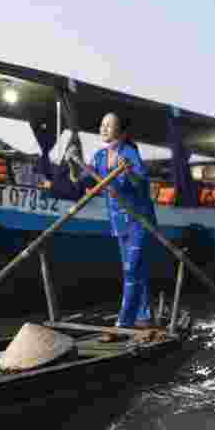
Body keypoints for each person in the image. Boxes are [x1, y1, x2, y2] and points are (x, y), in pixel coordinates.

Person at [84, 112, 157, 342]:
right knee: (137, 270)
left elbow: (140, 182)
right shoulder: (99, 156)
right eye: (102, 124)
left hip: (138, 220)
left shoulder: (129, 152)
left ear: (122, 131)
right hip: (119, 223)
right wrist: (73, 164)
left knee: (131, 270)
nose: (103, 128)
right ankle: (144, 316)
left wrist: (129, 172)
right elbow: (84, 180)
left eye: (109, 125)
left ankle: (122, 323)